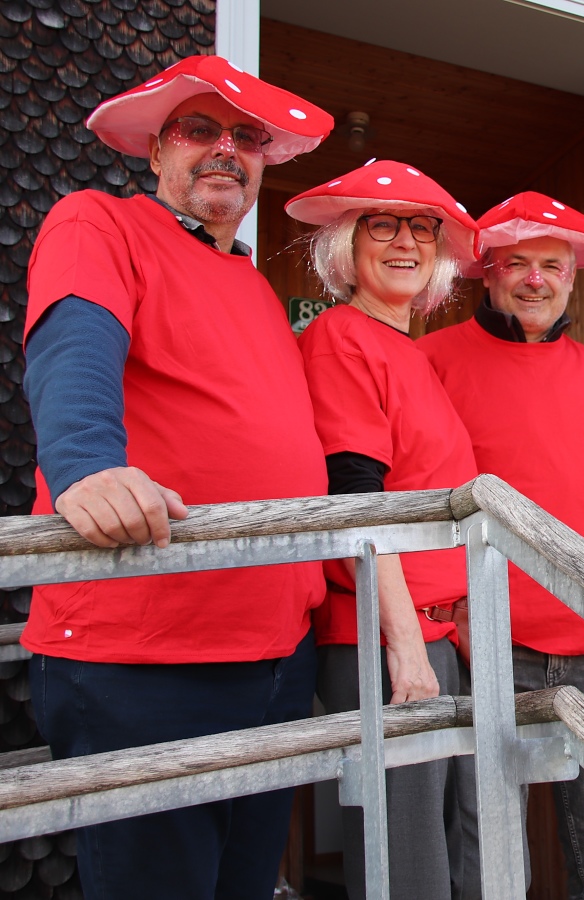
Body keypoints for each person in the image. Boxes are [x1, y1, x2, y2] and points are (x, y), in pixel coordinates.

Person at [20, 57, 333, 899]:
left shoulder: (258, 289)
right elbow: (75, 341)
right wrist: (86, 464)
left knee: (245, 884)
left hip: (277, 652)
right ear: (157, 151)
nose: (225, 148)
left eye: (247, 137)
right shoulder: (99, 223)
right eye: (200, 129)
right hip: (147, 654)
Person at [419, 191, 584, 899]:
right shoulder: (432, 360)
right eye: (517, 264)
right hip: (484, 637)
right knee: (490, 848)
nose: (535, 280)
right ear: (486, 273)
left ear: (573, 278)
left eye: (552, 265)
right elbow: (415, 496)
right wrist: (446, 610)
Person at [286, 160, 480, 899]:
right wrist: (405, 646)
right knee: (408, 867)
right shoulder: (342, 336)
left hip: (432, 632)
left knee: (439, 848)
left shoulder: (410, 350)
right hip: (383, 638)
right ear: (347, 245)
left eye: (422, 229)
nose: (406, 242)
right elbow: (358, 500)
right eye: (383, 226)